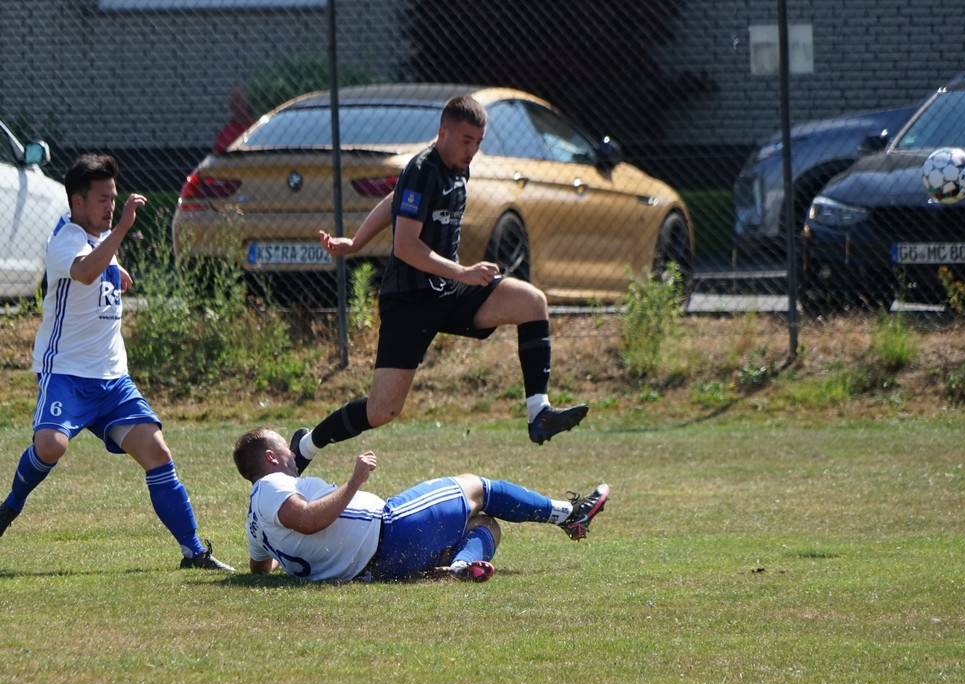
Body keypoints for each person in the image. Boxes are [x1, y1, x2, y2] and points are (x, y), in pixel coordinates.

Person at [291, 94, 587, 472]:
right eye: (466, 141)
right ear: (443, 132)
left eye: (478, 142)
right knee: (383, 410)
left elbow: (395, 198)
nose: (472, 150)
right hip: (409, 301)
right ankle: (307, 445)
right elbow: (405, 246)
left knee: (531, 302)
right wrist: (463, 273)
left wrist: (356, 242)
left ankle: (538, 414)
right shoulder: (422, 169)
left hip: (446, 290)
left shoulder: (457, 168)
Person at [0, 153, 234, 572]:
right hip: (67, 373)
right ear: (77, 202)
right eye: (102, 200)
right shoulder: (66, 238)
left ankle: (194, 551)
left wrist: (117, 265)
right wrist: (124, 228)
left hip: (112, 379)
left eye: (113, 198)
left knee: (157, 452)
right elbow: (85, 271)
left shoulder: (98, 237)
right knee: (50, 446)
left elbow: (99, 260)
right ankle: (10, 506)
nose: (110, 206)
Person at [234, 427, 609, 583]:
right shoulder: (270, 485)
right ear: (270, 458)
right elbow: (305, 520)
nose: (293, 454)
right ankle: (571, 515)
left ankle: (459, 567)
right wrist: (354, 481)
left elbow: (259, 568)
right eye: (286, 449)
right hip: (393, 528)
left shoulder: (255, 522)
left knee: (486, 525)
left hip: (381, 568)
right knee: (476, 487)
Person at [212, 85, 254, 153]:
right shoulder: (226, 132)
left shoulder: (255, 127)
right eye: (232, 101)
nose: (234, 104)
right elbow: (217, 152)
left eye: (237, 100)